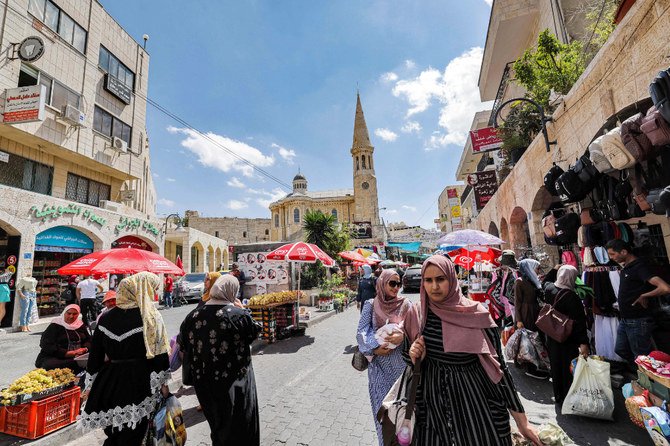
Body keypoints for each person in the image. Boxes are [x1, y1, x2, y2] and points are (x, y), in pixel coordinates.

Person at [405, 255, 541, 446]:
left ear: (452, 279)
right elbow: (406, 356)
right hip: (433, 410)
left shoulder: (476, 314)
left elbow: (500, 369)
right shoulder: (418, 314)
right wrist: (413, 355)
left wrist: (522, 422)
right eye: (428, 280)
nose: (434, 286)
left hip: (477, 407)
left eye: (440, 279)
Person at [80, 272, 171, 445]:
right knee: (135, 433)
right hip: (139, 382)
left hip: (110, 381)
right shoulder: (150, 317)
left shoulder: (105, 317)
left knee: (114, 432)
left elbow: (95, 356)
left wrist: (90, 384)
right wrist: (164, 386)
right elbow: (159, 356)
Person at [179, 275, 261, 445]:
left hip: (205, 385)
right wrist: (245, 311)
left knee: (217, 427)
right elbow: (254, 332)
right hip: (235, 384)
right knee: (240, 428)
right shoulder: (238, 315)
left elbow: (183, 344)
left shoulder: (192, 316)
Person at [356, 269, 414, 446]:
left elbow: (414, 329)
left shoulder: (406, 305)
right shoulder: (371, 305)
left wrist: (403, 335)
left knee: (402, 412)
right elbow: (361, 332)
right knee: (382, 413)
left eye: (398, 284)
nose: (396, 288)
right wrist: (375, 348)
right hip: (379, 370)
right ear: (382, 283)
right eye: (392, 283)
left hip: (400, 370)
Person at [606, 239, 670, 367]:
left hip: (638, 320)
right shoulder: (627, 267)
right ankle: (645, 370)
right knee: (621, 349)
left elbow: (665, 288)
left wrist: (644, 295)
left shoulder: (639, 267)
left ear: (624, 252)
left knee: (641, 356)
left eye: (613, 254)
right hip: (626, 319)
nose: (611, 258)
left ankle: (648, 378)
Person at [542, 265, 589, 405]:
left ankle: (559, 396)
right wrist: (584, 343)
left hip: (551, 334)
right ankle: (569, 396)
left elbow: (545, 281)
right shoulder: (572, 297)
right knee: (568, 366)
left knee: (555, 364)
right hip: (567, 338)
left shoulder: (549, 289)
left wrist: (554, 269)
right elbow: (579, 322)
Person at [514, 258, 549, 379]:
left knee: (536, 340)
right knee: (528, 342)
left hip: (535, 312)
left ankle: (538, 365)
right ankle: (530, 368)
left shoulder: (533, 280)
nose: (538, 270)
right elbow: (517, 302)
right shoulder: (519, 281)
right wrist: (519, 320)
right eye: (536, 268)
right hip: (525, 314)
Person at [35, 304, 91, 372]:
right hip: (58, 357)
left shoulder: (80, 325)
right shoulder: (55, 325)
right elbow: (46, 344)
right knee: (52, 365)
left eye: (75, 314)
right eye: (69, 313)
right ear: (64, 313)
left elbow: (88, 340)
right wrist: (69, 353)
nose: (71, 316)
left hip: (78, 356)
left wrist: (84, 348)